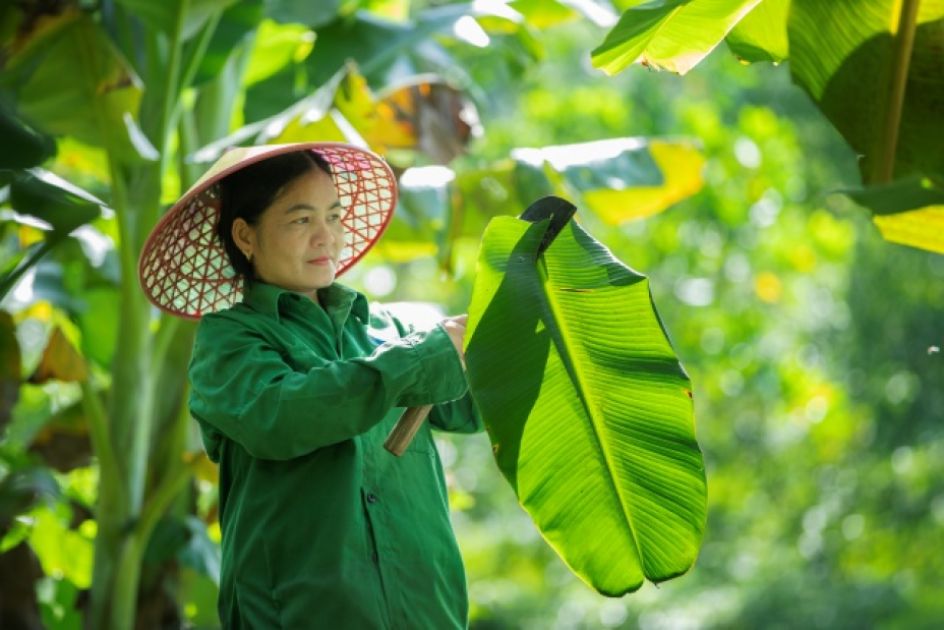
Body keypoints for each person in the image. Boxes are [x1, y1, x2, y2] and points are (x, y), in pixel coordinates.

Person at [137, 142, 482, 629]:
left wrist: (505, 333)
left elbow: (472, 410)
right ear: (245, 235)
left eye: (335, 216)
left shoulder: (388, 330)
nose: (327, 237)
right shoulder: (229, 340)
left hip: (426, 612)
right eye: (301, 220)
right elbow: (282, 415)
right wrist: (420, 361)